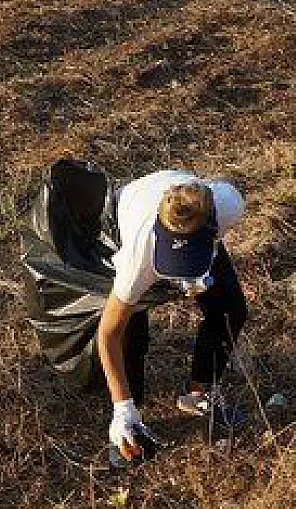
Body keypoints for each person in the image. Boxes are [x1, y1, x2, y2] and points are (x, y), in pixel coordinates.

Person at [96, 170, 247, 461]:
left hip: (197, 232)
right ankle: (130, 422)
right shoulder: (138, 255)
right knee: (131, 334)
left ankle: (198, 393)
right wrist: (121, 408)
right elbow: (108, 332)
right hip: (127, 211)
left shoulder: (228, 205)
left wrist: (200, 268)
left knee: (230, 309)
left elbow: (210, 242)